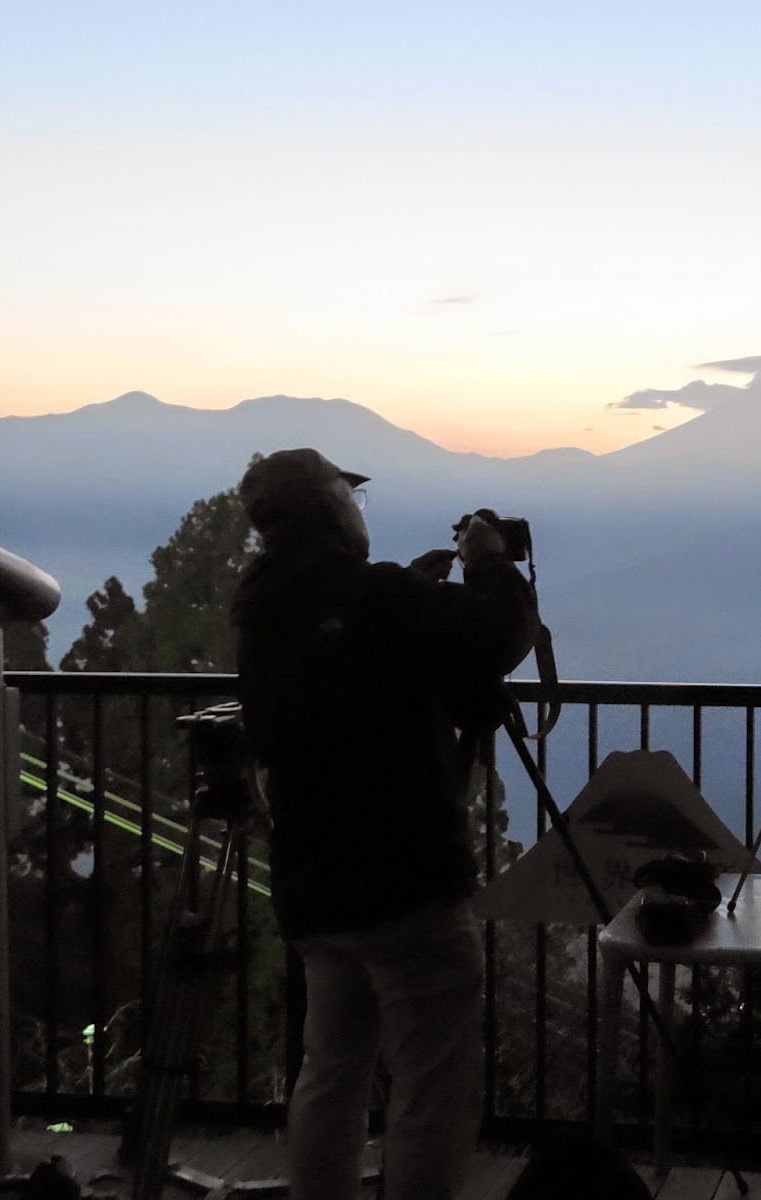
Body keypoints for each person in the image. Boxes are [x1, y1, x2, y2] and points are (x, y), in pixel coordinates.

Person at [231, 448, 539, 1200]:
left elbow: (349, 674)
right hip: (407, 881)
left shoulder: (263, 611)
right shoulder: (381, 599)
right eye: (349, 496)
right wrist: (489, 562)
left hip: (315, 882)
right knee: (434, 1082)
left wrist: (411, 593)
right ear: (331, 509)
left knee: (331, 1071)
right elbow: (497, 636)